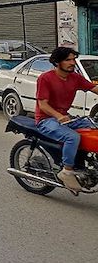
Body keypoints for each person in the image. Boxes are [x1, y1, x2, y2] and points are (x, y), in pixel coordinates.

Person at [35, 47, 98, 192]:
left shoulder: (75, 78)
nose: (73, 62)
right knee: (72, 137)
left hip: (66, 118)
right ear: (57, 62)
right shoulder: (46, 78)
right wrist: (59, 116)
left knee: (94, 127)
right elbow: (42, 105)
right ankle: (67, 171)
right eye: (68, 60)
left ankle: (85, 164)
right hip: (46, 120)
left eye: (73, 59)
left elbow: (93, 89)